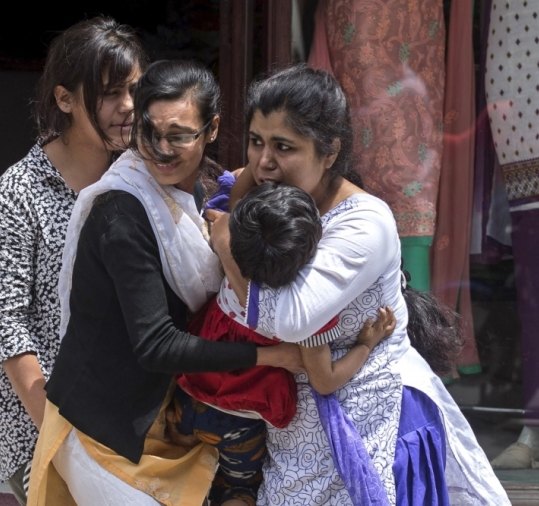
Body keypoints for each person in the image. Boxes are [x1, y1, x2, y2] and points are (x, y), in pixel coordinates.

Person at [209, 64, 510, 505]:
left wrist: (228, 251)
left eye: (283, 147)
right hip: (291, 438)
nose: (263, 162)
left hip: (371, 430)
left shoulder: (364, 223)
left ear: (329, 153)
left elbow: (294, 319)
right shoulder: (260, 199)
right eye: (256, 142)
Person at [25, 59, 306, 506]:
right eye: (148, 132)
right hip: (102, 431)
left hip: (168, 422)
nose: (161, 149)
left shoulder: (198, 194)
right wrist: (273, 355)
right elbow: (157, 346)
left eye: (178, 135)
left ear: (211, 129)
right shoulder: (122, 213)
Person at [0, 17, 146, 505]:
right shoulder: (16, 197)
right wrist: (58, 435)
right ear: (65, 99)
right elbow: (8, 326)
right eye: (111, 93)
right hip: (45, 428)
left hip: (130, 417)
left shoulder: (139, 181)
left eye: (135, 89)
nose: (129, 106)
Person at [175, 182, 396, 505]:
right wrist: (365, 345)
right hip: (240, 420)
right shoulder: (307, 318)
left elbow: (230, 209)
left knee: (183, 485)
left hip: (187, 395)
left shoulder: (231, 260)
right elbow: (324, 381)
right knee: (238, 492)